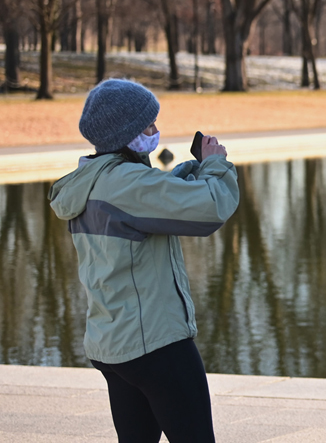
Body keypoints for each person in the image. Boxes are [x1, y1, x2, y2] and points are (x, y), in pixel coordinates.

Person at [48, 79, 239, 443]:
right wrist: (216, 165)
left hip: (112, 345)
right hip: (156, 345)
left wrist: (189, 171)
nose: (155, 131)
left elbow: (152, 198)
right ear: (126, 133)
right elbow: (211, 208)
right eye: (148, 125)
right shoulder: (127, 183)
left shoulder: (92, 181)